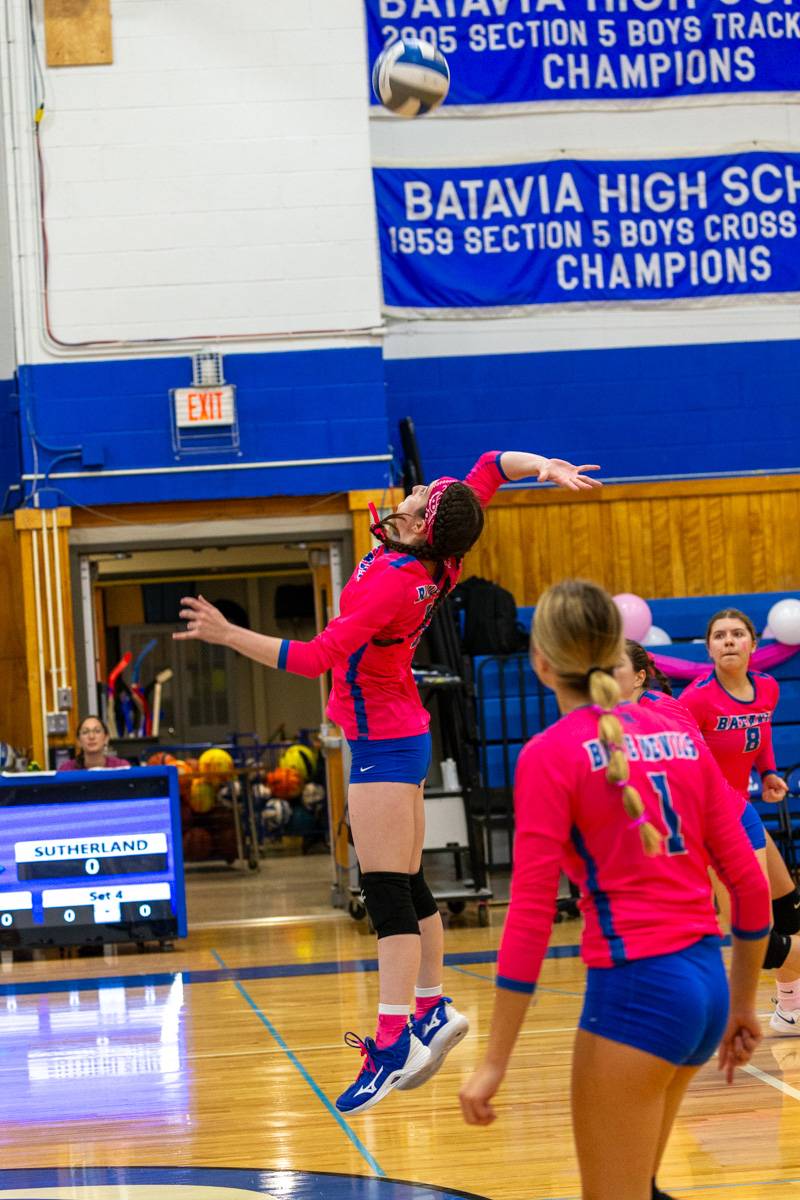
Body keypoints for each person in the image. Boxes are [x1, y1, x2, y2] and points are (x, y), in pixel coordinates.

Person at [174, 450, 602, 1114]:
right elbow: (489, 466)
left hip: (380, 738)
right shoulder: (443, 543)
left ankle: (393, 1039)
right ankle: (430, 1010)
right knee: (406, 882)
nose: (408, 494)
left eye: (414, 500)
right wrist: (542, 466)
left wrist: (229, 634)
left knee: (385, 896)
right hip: (397, 724)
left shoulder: (392, 583)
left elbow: (316, 656)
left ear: (419, 530)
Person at [459, 580, 769, 1200]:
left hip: (638, 993)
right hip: (706, 989)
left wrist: (492, 1062)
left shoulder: (550, 755)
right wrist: (740, 1004)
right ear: (618, 650)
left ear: (541, 663)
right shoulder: (680, 733)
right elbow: (750, 887)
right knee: (639, 1187)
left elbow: (528, 918)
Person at [680, 609, 799, 1035]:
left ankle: (791, 1007)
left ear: (752, 643)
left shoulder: (766, 687)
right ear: (709, 647)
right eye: (719, 635)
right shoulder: (695, 699)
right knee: (753, 930)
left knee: (788, 907)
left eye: (737, 634)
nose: (728, 641)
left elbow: (761, 733)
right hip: (712, 818)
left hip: (742, 808)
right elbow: (681, 762)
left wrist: (767, 772)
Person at [58, 716, 131, 771]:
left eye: (97, 731)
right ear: (79, 741)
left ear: (106, 738)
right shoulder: (66, 769)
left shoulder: (121, 767)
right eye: (85, 732)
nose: (91, 737)